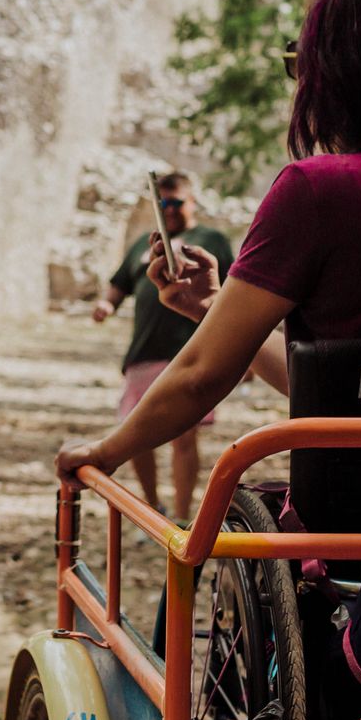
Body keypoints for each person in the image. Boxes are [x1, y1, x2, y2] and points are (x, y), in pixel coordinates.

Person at [58, 0, 361, 500]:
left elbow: (201, 374)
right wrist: (213, 310)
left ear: (334, 78)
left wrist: (105, 452)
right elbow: (352, 388)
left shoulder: (316, 190)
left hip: (351, 516)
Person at [90, 173, 236, 521]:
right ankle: (152, 509)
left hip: (188, 352)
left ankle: (183, 519)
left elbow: (233, 293)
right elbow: (119, 284)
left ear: (192, 202)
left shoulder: (210, 239)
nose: (169, 210)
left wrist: (239, 353)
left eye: (176, 203)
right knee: (135, 436)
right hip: (143, 352)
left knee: (183, 438)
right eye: (163, 204)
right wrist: (106, 305)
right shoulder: (145, 243)